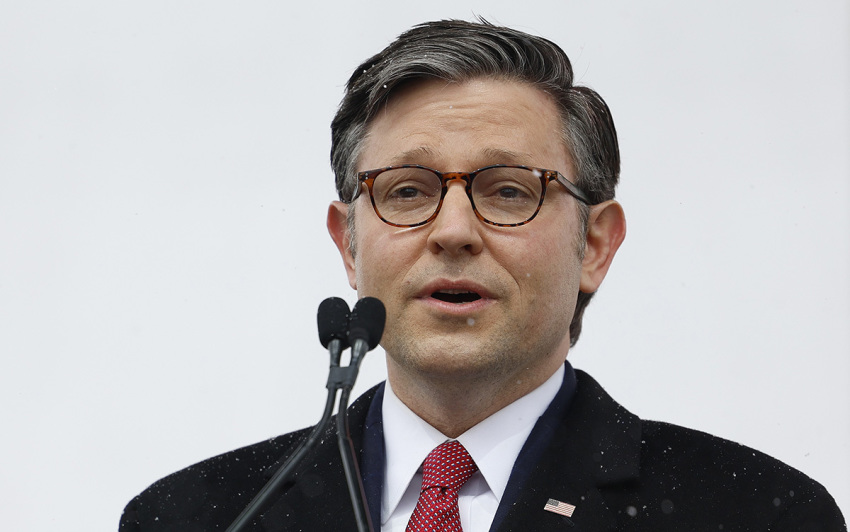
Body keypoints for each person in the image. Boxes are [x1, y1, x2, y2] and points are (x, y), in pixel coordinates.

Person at [119, 19, 846, 531]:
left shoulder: (751, 514)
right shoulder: (203, 516)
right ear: (349, 245)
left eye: (508, 191)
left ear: (594, 243)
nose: (454, 232)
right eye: (406, 191)